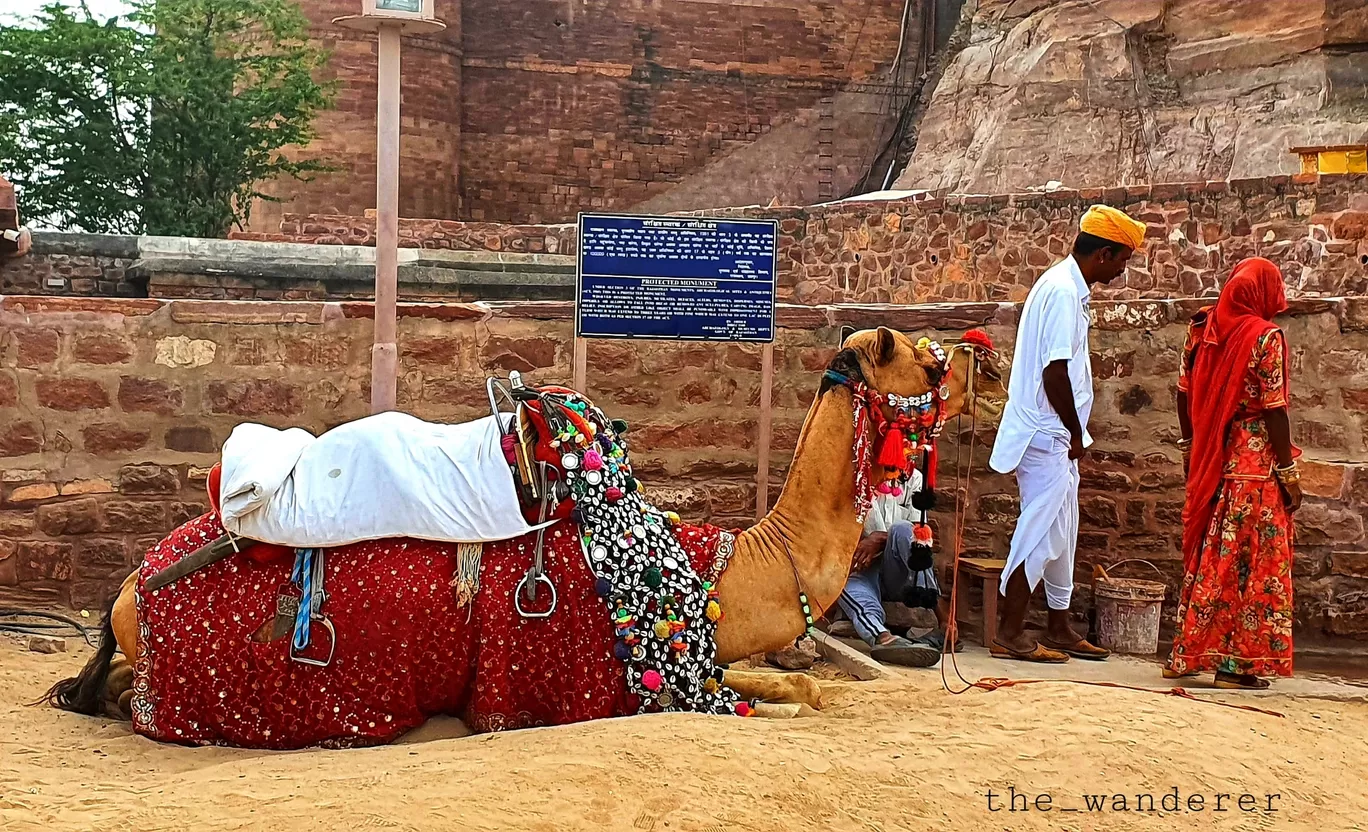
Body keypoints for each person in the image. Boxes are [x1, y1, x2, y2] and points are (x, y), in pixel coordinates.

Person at [986, 205, 1145, 662]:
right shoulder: (1059, 291)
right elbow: (1054, 372)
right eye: (1121, 261)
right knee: (1039, 533)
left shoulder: (1068, 288)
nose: (1121, 271)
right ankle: (1010, 631)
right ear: (1103, 254)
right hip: (1046, 434)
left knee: (1063, 531)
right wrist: (1077, 432)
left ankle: (1057, 625)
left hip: (1054, 435)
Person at [1164, 257, 1299, 689]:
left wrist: (1191, 447)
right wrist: (1289, 470)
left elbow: (1183, 394)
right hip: (1254, 467)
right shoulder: (1265, 337)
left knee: (1214, 560)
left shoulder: (1204, 329)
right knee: (1254, 564)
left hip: (1214, 462)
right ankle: (1237, 665)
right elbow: (1275, 409)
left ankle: (1194, 650)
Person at [836, 466, 947, 667]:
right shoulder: (853, 472)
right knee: (851, 591)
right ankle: (884, 639)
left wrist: (879, 539)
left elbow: (919, 536)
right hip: (858, 569)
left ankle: (946, 623)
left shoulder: (914, 478)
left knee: (905, 530)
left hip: (897, 572)